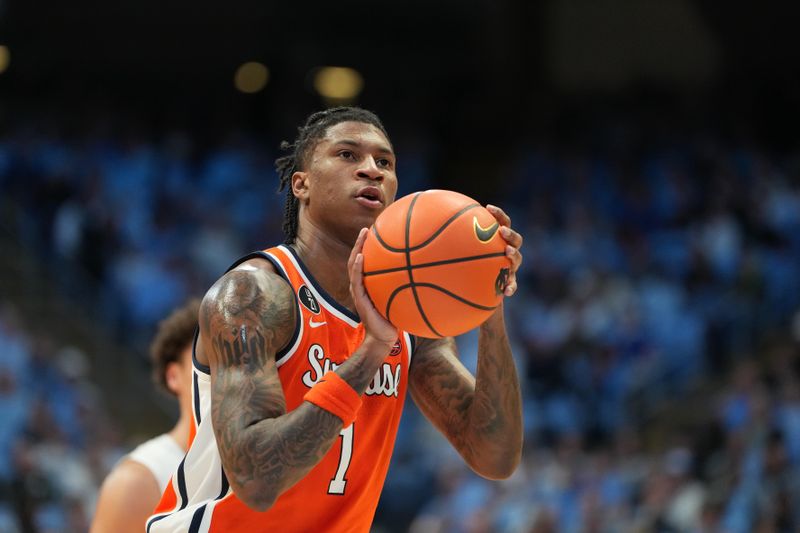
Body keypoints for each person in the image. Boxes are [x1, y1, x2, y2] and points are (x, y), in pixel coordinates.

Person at [148, 107, 524, 532]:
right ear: (301, 184)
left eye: (385, 162)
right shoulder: (254, 295)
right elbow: (256, 480)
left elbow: (494, 456)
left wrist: (488, 304)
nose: (371, 171)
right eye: (347, 155)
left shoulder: (409, 316)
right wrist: (371, 353)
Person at [91, 299, 200, 533]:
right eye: (206, 362)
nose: (223, 374)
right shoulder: (137, 482)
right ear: (174, 376)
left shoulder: (272, 471)